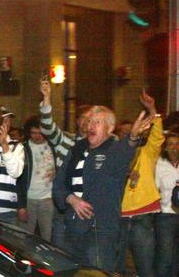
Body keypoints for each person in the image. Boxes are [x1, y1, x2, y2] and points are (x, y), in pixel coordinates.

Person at [52, 106, 151, 272]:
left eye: (97, 122)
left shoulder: (114, 150)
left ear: (110, 128)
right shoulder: (76, 150)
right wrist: (71, 199)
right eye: (89, 121)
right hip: (72, 228)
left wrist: (133, 136)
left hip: (99, 231)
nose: (90, 125)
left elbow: (127, 148)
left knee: (98, 273)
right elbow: (58, 185)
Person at [39, 78, 93, 249]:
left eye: (90, 119)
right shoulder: (66, 140)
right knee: (62, 251)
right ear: (77, 121)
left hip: (90, 207)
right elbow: (47, 127)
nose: (86, 123)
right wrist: (47, 98)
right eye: (82, 119)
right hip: (65, 206)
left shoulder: (101, 147)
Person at [115, 91, 162, 277]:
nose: (130, 134)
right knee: (116, 268)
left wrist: (152, 109)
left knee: (145, 268)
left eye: (133, 130)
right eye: (124, 132)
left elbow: (157, 136)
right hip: (118, 217)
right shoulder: (115, 156)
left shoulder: (146, 152)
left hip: (143, 215)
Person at [16, 116, 56, 241]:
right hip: (29, 199)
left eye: (40, 133)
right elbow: (18, 179)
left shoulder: (53, 147)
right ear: (29, 132)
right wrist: (21, 205)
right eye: (34, 133)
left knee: (47, 237)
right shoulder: (23, 148)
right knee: (25, 238)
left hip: (48, 198)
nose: (37, 136)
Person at [154, 132, 179, 277]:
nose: (174, 147)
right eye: (170, 144)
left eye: (177, 143)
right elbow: (155, 189)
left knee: (176, 258)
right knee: (165, 257)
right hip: (166, 216)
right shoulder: (159, 164)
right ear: (165, 147)